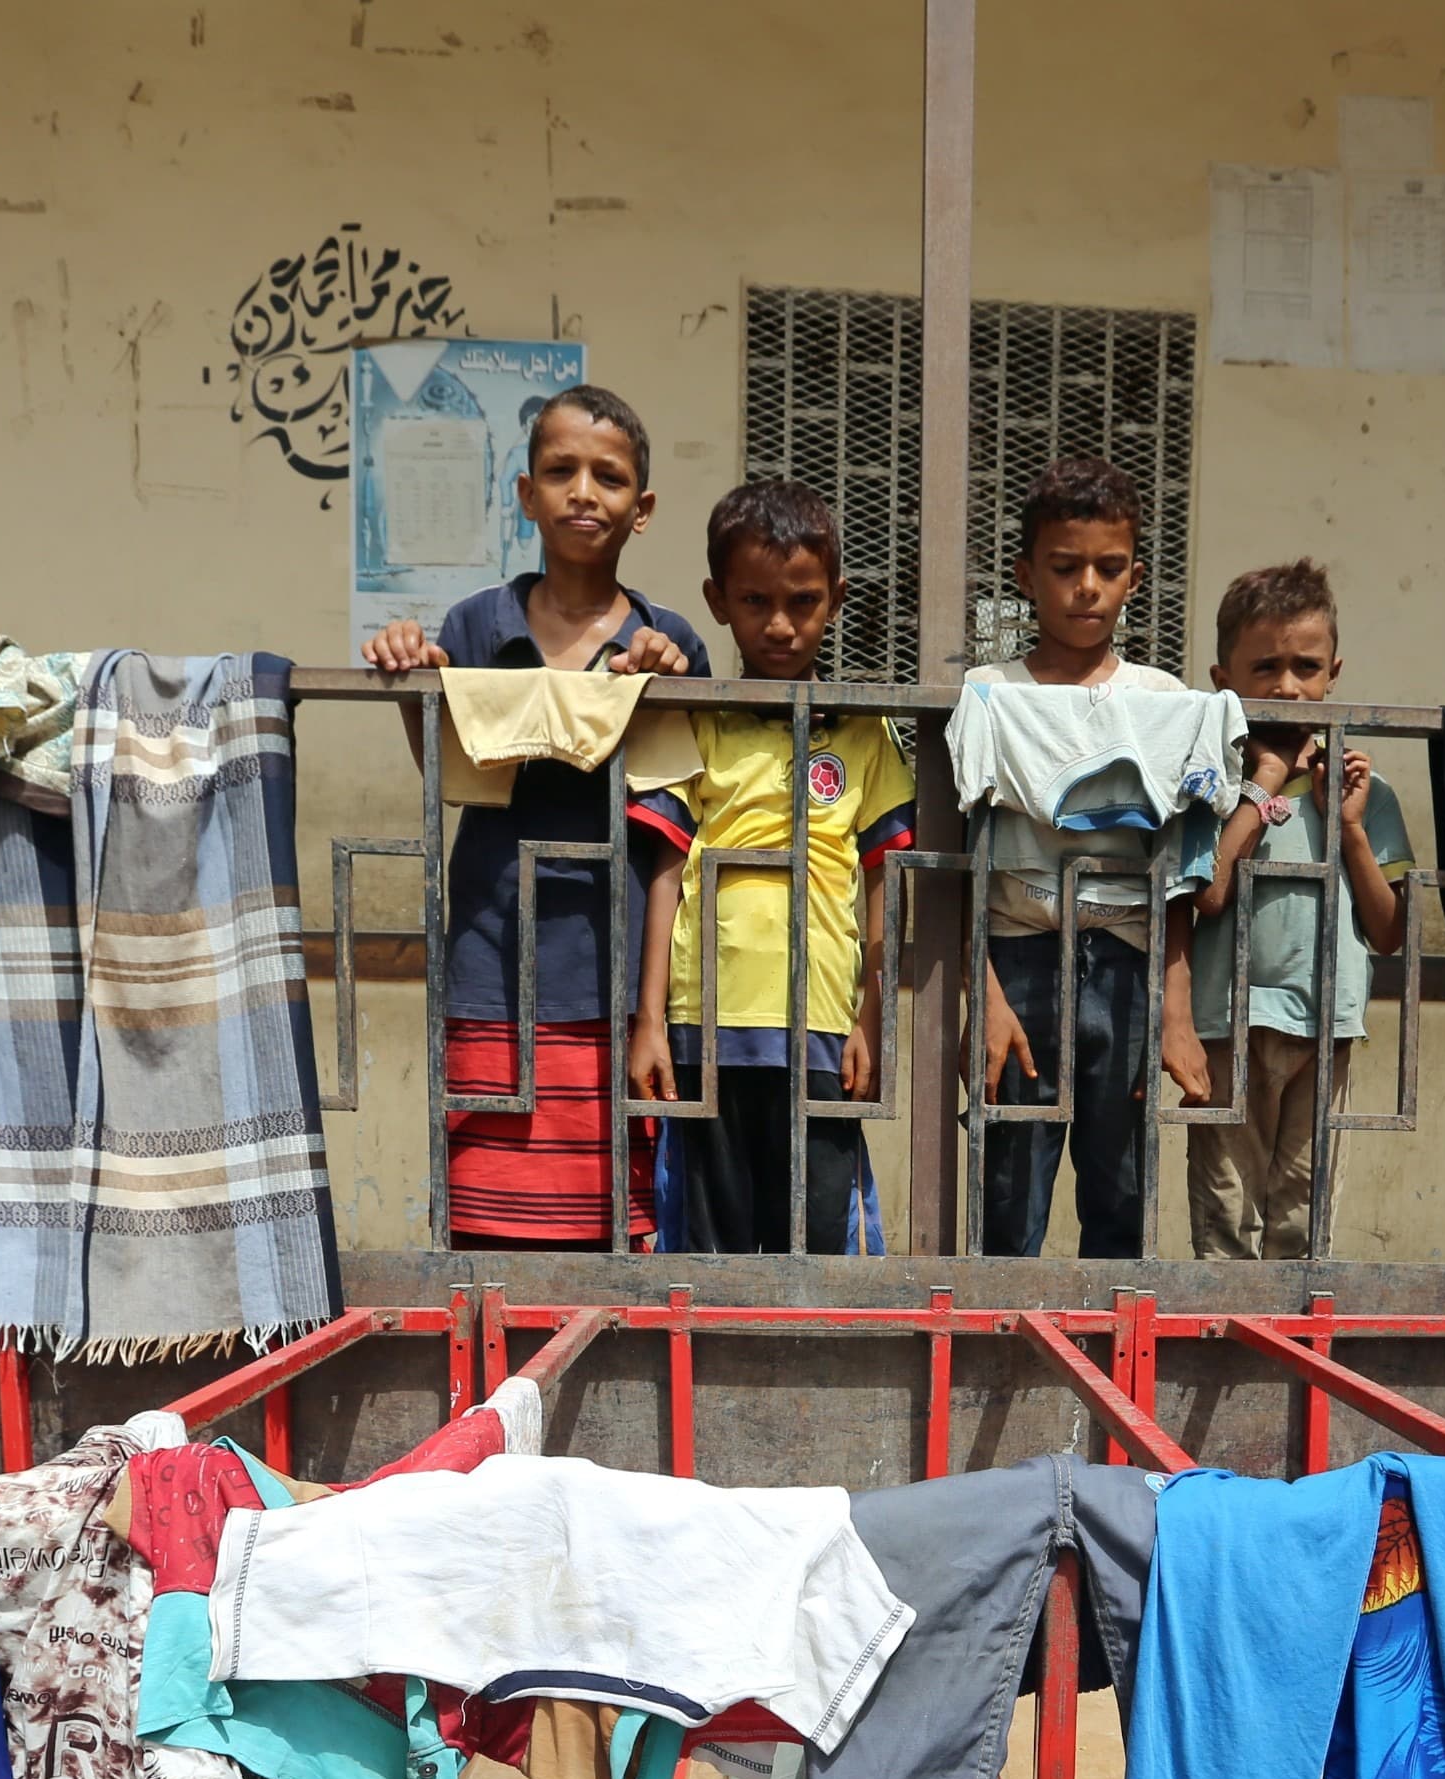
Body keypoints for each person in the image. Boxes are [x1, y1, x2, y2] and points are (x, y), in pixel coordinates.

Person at [360, 384, 701, 1249]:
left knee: (612, 1220)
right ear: (525, 495)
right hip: (489, 953)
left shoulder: (669, 640)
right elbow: (446, 773)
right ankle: (489, 1377)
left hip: (615, 970)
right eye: (560, 472)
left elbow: (679, 821)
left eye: (609, 477)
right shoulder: (478, 623)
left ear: (643, 508)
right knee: (484, 1212)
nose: (584, 492)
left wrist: (673, 677)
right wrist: (415, 678)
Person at [624, 478, 913, 1252]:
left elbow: (883, 877)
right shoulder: (700, 716)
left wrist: (871, 1019)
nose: (780, 625)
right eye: (755, 602)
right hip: (704, 1021)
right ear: (718, 600)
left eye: (803, 602)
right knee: (709, 1245)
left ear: (837, 598)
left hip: (820, 1022)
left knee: (820, 1243)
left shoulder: (861, 730)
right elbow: (665, 868)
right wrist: (650, 1020)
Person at [1157, 561, 1408, 1259]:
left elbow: (1389, 931)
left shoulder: (1365, 794)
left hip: (1323, 1026)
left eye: (1306, 665)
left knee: (1302, 1214)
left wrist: (1349, 826)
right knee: (1226, 1218)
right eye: (1265, 666)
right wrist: (1266, 787)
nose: (1287, 686)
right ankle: (1220, 1358)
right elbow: (1209, 891)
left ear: (1334, 672)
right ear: (1222, 678)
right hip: (1225, 1025)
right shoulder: (1213, 786)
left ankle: (1288, 1354)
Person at [970, 457, 1175, 1258]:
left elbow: (1180, 871)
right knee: (1008, 1202)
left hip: (1127, 969)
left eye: (1108, 567)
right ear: (1026, 575)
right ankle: (995, 1372)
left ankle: (1111, 1369)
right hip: (1017, 963)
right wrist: (981, 996)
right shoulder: (989, 693)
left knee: (1122, 1195)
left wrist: (1175, 1009)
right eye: (1064, 567)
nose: (1087, 585)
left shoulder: (1162, 701)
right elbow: (961, 867)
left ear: (1134, 577)